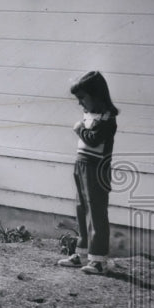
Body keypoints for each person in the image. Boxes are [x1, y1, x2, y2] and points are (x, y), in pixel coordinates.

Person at [57, 71, 119, 275]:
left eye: (83, 98)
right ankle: (82, 254)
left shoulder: (108, 119)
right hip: (81, 165)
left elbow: (93, 139)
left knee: (96, 212)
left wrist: (79, 129)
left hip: (96, 169)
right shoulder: (90, 114)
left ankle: (98, 259)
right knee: (81, 208)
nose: (80, 103)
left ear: (97, 95)